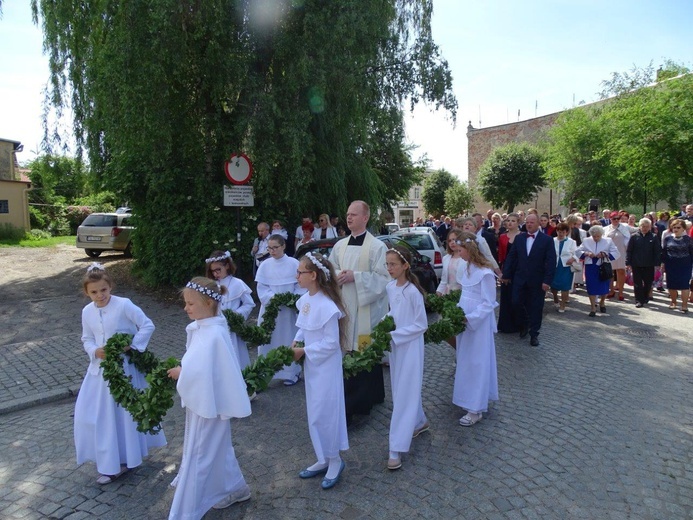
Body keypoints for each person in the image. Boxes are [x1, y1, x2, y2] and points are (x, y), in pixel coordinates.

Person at [74, 263, 167, 485]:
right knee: (96, 416)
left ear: (110, 287)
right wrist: (95, 351)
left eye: (103, 290)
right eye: (94, 292)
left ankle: (124, 460)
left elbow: (147, 325)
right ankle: (109, 460)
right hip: (99, 372)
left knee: (122, 416)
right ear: (87, 292)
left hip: (125, 370)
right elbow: (86, 338)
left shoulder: (124, 305)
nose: (100, 296)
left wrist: (131, 346)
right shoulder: (87, 312)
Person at [167, 277, 252, 519]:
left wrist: (182, 372)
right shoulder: (203, 327)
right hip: (204, 401)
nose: (186, 308)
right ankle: (236, 488)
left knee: (201, 453)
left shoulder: (214, 333)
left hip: (209, 404)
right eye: (185, 303)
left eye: (191, 304)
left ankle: (187, 512)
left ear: (208, 303)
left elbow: (207, 371)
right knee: (218, 447)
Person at [291, 252, 349, 489]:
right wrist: (296, 342)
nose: (296, 276)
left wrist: (304, 351)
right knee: (314, 413)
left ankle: (335, 459)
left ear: (313, 275)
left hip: (325, 367)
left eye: (300, 272)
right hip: (313, 367)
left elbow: (331, 343)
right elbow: (303, 327)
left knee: (328, 412)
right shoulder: (305, 299)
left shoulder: (327, 306)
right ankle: (322, 457)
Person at [330, 200, 389, 420]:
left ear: (365, 218)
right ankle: (359, 399)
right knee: (349, 351)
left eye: (354, 214)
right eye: (347, 214)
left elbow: (385, 279)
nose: (349, 217)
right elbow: (331, 268)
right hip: (346, 308)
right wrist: (338, 275)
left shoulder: (376, 247)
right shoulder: (340, 245)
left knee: (366, 351)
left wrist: (356, 276)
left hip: (366, 310)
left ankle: (362, 404)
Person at [384, 246, 429, 470]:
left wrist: (395, 334)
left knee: (404, 393)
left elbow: (421, 324)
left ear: (405, 266)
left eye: (393, 264)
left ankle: (396, 447)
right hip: (395, 345)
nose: (389, 268)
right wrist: (384, 323)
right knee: (399, 386)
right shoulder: (390, 287)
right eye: (387, 264)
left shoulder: (413, 292)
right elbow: (395, 312)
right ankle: (419, 421)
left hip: (410, 345)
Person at [453, 232, 499, 426]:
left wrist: (470, 318)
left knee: (477, 362)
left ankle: (476, 408)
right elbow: (465, 294)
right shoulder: (466, 269)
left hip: (477, 324)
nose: (458, 253)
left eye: (461, 249)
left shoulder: (485, 273)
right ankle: (467, 398)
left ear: (470, 249)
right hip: (464, 321)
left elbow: (489, 303)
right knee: (465, 360)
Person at [255, 234, 305, 385]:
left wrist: (291, 298)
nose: (272, 251)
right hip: (270, 311)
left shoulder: (293, 263)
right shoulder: (265, 265)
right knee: (268, 341)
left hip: (288, 312)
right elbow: (262, 288)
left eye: (275, 247)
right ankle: (267, 371)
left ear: (283, 246)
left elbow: (300, 285)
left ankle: (291, 373)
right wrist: (273, 299)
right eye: (269, 248)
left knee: (288, 338)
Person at [501, 213, 556, 347]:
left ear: (538, 223)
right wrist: (506, 275)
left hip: (537, 280)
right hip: (520, 278)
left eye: (532, 222)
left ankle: (534, 334)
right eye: (527, 222)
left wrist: (547, 281)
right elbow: (511, 257)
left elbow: (551, 261)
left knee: (536, 307)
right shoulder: (520, 238)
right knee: (515, 302)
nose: (529, 224)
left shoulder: (547, 240)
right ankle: (524, 322)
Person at [205, 250, 255, 369]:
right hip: (216, 326)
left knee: (235, 354)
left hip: (232, 327)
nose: (216, 273)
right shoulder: (211, 285)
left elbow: (249, 303)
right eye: (213, 271)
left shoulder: (237, 283)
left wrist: (236, 315)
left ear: (227, 266)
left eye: (218, 270)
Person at [576, 225, 620, 317]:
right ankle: (593, 307)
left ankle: (602, 302)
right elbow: (578, 251)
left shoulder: (608, 241)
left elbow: (616, 252)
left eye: (598, 236)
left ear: (601, 235)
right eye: (594, 236)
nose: (596, 238)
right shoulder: (586, 240)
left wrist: (605, 254)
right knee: (591, 286)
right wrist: (587, 253)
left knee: (604, 286)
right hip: (591, 266)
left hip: (603, 265)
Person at [626, 218, 662, 308]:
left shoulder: (653, 237)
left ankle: (645, 297)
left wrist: (657, 263)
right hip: (636, 264)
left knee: (648, 283)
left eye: (647, 226)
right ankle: (639, 300)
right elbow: (629, 250)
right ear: (639, 226)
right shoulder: (634, 237)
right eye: (643, 226)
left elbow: (657, 251)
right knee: (637, 283)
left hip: (649, 264)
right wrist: (628, 262)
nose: (645, 228)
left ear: (650, 227)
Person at [661, 218, 693, 313]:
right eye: (674, 227)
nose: (675, 229)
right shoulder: (668, 238)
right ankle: (673, 302)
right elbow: (664, 252)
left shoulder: (689, 239)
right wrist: (662, 263)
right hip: (671, 265)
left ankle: (684, 305)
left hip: (685, 265)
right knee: (671, 285)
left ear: (683, 228)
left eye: (678, 227)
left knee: (684, 285)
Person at [497, 213, 522, 332]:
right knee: (506, 296)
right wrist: (502, 272)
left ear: (518, 222)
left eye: (513, 221)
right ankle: (506, 325)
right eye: (508, 221)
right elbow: (501, 255)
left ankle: (519, 323)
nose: (510, 223)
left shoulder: (523, 236)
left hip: (519, 269)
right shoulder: (502, 237)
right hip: (506, 269)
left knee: (517, 297)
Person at [550, 223, 578, 313]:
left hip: (566, 267)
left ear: (566, 232)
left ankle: (562, 305)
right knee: (553, 285)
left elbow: (576, 253)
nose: (560, 234)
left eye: (563, 232)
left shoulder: (572, 242)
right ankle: (555, 297)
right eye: (559, 231)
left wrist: (573, 259)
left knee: (565, 286)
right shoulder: (552, 241)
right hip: (554, 266)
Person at [604, 212, 629, 302]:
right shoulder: (606, 229)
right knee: (610, 272)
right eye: (614, 219)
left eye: (618, 219)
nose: (616, 220)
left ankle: (621, 291)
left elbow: (634, 230)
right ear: (610, 219)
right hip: (610, 252)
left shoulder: (624, 227)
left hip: (621, 251)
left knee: (621, 271)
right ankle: (611, 290)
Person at [436, 228, 463, 295]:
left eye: (454, 240)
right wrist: (438, 292)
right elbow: (444, 280)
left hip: (462, 294)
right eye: (450, 240)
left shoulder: (466, 259)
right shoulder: (446, 258)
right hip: (448, 294)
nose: (452, 243)